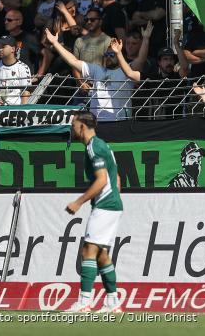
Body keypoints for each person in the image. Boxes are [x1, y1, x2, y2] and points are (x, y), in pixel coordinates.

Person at [63, 110, 123, 313]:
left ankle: (84, 303)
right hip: (112, 204)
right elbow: (116, 178)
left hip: (106, 205)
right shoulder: (102, 144)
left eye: (73, 126)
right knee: (102, 255)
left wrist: (78, 202)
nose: (72, 129)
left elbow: (102, 180)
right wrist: (114, 197)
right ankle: (113, 302)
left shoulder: (93, 148)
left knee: (88, 250)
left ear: (81, 126)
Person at [0, 35, 31, 105]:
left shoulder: (23, 67)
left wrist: (21, 110)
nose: (0, 49)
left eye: (3, 47)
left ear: (13, 49)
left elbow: (26, 92)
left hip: (15, 110)